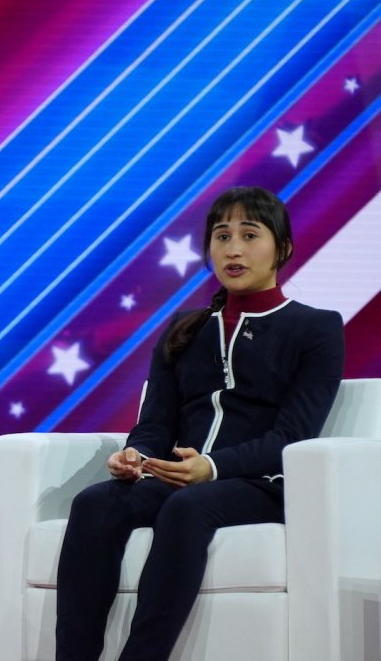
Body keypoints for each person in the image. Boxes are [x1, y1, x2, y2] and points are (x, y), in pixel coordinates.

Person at [55, 187, 345, 661]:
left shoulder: (316, 327)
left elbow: (292, 437)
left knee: (188, 507)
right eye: (221, 236)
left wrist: (210, 467)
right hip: (178, 477)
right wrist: (136, 457)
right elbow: (155, 424)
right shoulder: (184, 327)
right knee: (94, 503)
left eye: (250, 235)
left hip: (262, 482)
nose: (233, 248)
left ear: (283, 249)